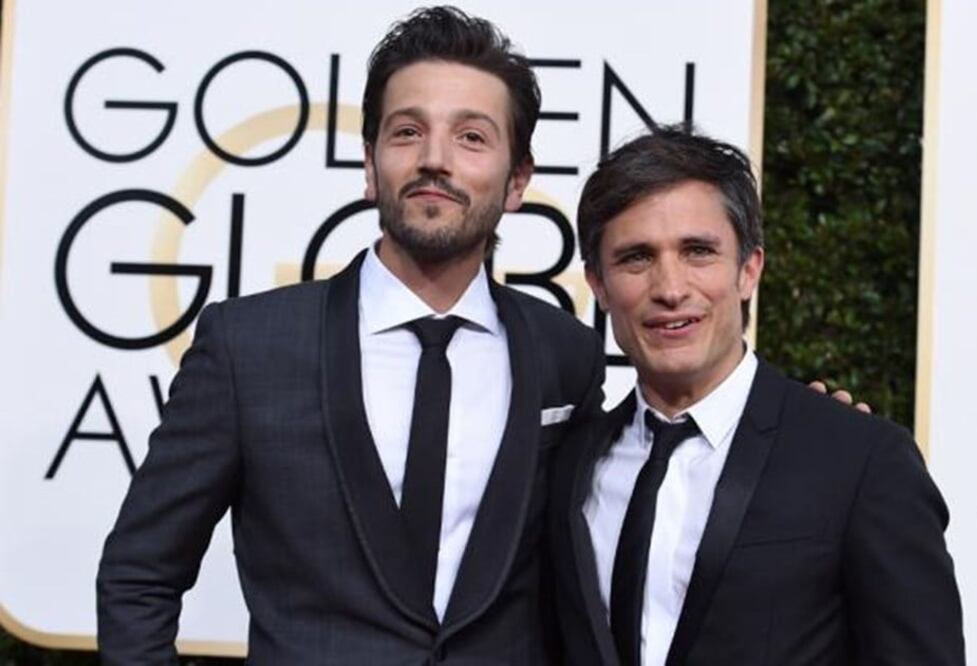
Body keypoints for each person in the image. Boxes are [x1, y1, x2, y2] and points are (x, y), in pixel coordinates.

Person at [96, 7, 605, 663]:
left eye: (471, 138)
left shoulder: (565, 352)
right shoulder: (248, 347)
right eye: (406, 132)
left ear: (516, 182)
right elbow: (140, 574)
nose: (433, 160)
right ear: (369, 165)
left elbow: (572, 592)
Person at [548, 126, 965, 665]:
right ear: (599, 285)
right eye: (636, 258)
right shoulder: (569, 465)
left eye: (698, 252)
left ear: (749, 269)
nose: (671, 288)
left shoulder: (860, 461)